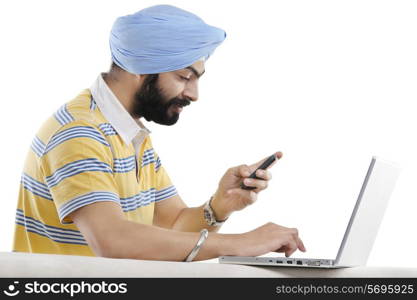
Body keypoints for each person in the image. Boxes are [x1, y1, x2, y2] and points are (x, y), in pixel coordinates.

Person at [13, 5, 306, 262]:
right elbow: (113, 240)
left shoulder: (129, 133)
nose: (193, 94)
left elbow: (172, 228)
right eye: (184, 77)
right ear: (141, 67)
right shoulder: (79, 133)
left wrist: (219, 205)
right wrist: (240, 244)